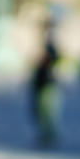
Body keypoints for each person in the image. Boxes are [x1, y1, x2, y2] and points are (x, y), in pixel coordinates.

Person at [30, 16, 61, 147]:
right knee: (40, 111)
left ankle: (49, 135)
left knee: (47, 111)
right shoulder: (43, 44)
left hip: (48, 83)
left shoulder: (51, 46)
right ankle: (46, 134)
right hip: (41, 82)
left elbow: (54, 61)